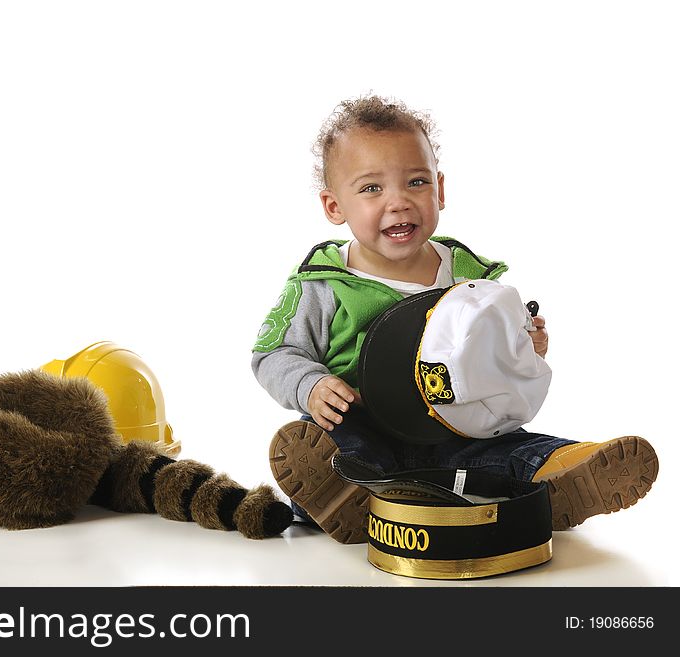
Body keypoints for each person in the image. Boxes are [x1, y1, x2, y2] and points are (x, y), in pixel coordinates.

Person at [252, 95, 658, 544]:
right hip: (361, 422)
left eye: (416, 182)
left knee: (508, 447)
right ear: (334, 207)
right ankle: (344, 495)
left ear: (440, 190)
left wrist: (525, 345)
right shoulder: (324, 284)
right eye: (371, 188)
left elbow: (497, 347)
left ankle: (562, 473)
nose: (399, 202)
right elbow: (273, 353)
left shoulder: (468, 276)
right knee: (340, 448)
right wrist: (309, 385)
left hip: (455, 423)